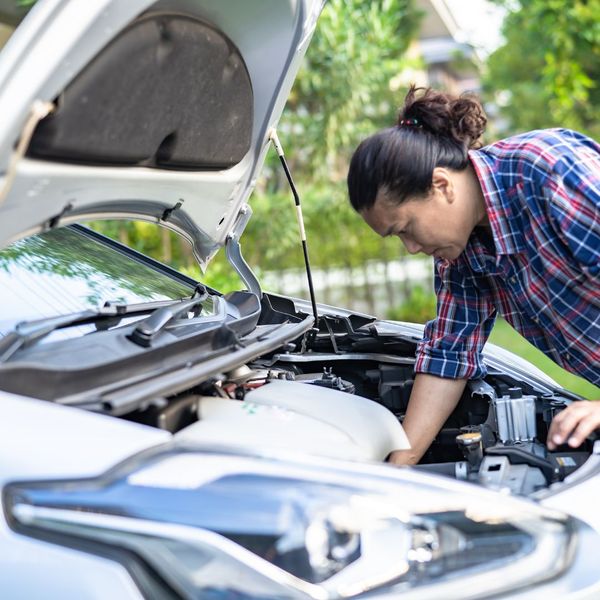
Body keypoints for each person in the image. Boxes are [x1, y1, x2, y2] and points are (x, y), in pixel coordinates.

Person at [347, 85, 600, 465]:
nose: (411, 248)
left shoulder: (552, 175)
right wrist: (396, 470)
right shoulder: (460, 253)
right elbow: (449, 356)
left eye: (405, 228)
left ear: (442, 185)